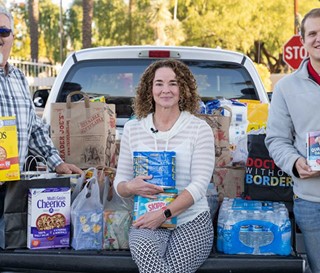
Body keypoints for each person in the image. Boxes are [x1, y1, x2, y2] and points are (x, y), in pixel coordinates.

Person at [114, 59, 215, 273]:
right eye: (159, 83)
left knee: (174, 268)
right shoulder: (133, 129)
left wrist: (164, 214)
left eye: (173, 83)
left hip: (191, 218)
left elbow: (199, 185)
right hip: (147, 215)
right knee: (143, 248)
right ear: (149, 89)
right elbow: (119, 183)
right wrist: (131, 187)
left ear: (183, 88)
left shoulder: (199, 129)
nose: (165, 90)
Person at [0, 7, 82, 216]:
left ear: (12, 36)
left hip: (12, 188)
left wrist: (57, 163)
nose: (0, 38)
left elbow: (35, 130)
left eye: (3, 32)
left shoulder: (18, 78)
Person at [265, 8, 320, 273]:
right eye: (313, 33)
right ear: (303, 41)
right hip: (311, 200)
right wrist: (295, 162)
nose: (318, 38)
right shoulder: (286, 88)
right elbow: (276, 139)